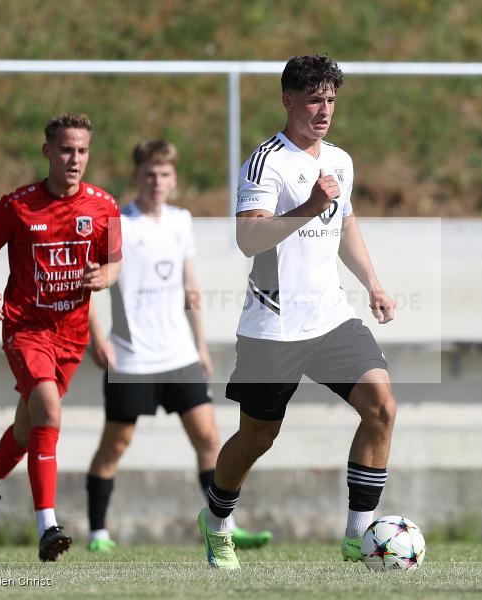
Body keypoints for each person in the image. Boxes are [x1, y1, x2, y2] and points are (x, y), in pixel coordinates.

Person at [197, 55, 398, 570]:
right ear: (287, 100)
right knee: (258, 436)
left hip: (330, 317)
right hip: (274, 324)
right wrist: (308, 205)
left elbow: (345, 221)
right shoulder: (266, 162)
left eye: (330, 98)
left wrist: (373, 283)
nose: (323, 109)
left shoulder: (341, 161)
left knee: (381, 407)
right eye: (313, 98)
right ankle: (217, 520)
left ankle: (359, 535)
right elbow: (248, 238)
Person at [84, 140, 272, 552]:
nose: (157, 181)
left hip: (179, 354)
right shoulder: (118, 223)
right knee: (115, 444)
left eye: (164, 174)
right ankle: (98, 532)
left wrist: (200, 345)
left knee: (209, 438)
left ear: (174, 180)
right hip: (131, 357)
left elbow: (190, 286)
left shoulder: (181, 221)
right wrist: (98, 341)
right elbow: (89, 286)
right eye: (149, 173)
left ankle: (223, 524)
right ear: (136, 176)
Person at [0, 113, 122, 562]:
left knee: (28, 426)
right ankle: (47, 525)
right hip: (25, 328)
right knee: (49, 413)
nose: (75, 159)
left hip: (70, 337)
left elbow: (114, 262)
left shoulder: (103, 206)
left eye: (82, 151)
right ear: (47, 152)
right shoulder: (18, 205)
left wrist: (103, 276)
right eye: (66, 150)